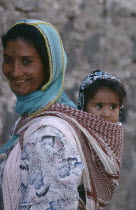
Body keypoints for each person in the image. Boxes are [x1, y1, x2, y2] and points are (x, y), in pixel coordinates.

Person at [0, 19, 125, 210]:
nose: (15, 72)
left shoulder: (48, 135)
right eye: (8, 60)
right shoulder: (32, 118)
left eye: (27, 61)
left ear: (50, 66)